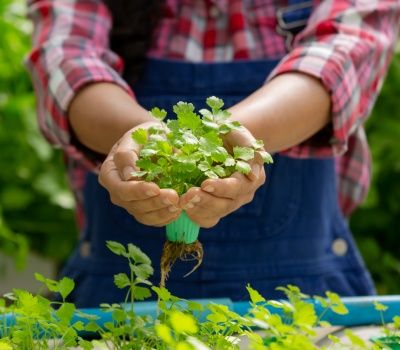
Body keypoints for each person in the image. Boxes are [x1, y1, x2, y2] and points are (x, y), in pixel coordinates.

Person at [25, 0, 400, 308]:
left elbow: (342, 56)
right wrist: (140, 138)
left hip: (303, 295)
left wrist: (232, 139)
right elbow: (65, 60)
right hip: (118, 302)